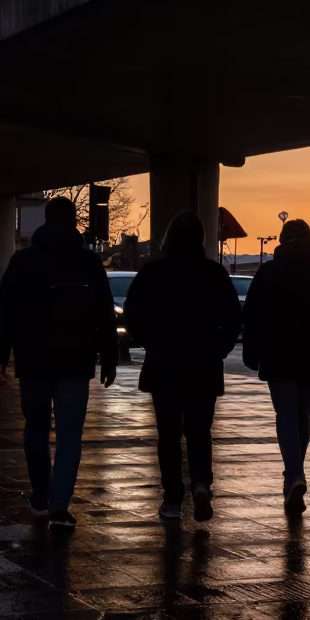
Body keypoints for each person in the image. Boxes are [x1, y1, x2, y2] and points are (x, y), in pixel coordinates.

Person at [0, 196, 119, 529]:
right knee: (70, 436)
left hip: (34, 360)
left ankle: (42, 496)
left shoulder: (23, 261)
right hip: (76, 361)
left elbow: (5, 311)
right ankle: (60, 507)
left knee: (35, 429)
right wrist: (109, 358)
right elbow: (104, 314)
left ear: (45, 221)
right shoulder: (88, 263)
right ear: (75, 221)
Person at [123, 211, 241, 523]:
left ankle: (173, 498)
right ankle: (202, 483)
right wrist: (217, 348)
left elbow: (132, 316)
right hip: (203, 364)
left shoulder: (152, 273)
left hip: (165, 364)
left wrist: (153, 342)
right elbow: (232, 321)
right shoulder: (214, 274)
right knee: (200, 430)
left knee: (169, 434)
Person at [242, 219, 310, 513]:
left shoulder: (268, 272)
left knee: (286, 415)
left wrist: (250, 352)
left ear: (281, 240)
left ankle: (294, 474)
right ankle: (295, 472)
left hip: (277, 353)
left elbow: (252, 316)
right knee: (303, 415)